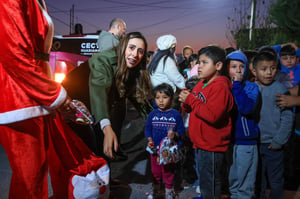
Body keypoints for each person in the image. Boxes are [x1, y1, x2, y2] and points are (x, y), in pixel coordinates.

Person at [0, 1, 109, 198]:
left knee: (37, 174)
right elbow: (14, 55)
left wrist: (54, 95)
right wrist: (55, 95)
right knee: (30, 180)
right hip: (19, 98)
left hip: (34, 95)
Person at [179, 45, 234, 199]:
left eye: (204, 63)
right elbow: (192, 107)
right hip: (201, 143)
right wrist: (185, 101)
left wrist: (191, 100)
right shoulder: (202, 83)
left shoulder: (221, 87)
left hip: (212, 146)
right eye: (198, 63)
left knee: (212, 182)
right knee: (204, 179)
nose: (199, 67)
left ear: (218, 66)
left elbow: (213, 115)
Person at [89, 32, 153, 160]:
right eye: (132, 48)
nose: (135, 55)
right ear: (123, 46)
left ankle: (108, 178)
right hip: (79, 105)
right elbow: (99, 91)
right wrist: (106, 127)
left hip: (103, 108)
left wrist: (159, 118)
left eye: (140, 51)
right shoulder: (102, 60)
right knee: (91, 153)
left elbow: (139, 100)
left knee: (103, 152)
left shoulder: (134, 69)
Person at [251, 51, 294, 199]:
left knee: (276, 181)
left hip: (274, 145)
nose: (269, 72)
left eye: (273, 68)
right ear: (254, 70)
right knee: (258, 181)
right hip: (255, 144)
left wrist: (279, 141)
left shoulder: (280, 90)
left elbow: (288, 118)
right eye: (264, 69)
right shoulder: (251, 89)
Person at [226, 50, 260, 199]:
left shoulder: (251, 87)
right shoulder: (223, 86)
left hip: (246, 142)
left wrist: (237, 85)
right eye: (233, 66)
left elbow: (246, 108)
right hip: (228, 141)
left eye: (241, 66)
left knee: (245, 186)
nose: (238, 70)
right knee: (232, 183)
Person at [145, 83, 185, 199]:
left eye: (164, 97)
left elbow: (181, 130)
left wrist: (175, 134)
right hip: (155, 150)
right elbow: (148, 128)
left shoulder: (175, 114)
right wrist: (149, 139)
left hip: (168, 151)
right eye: (157, 98)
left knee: (168, 171)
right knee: (155, 172)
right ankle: (156, 190)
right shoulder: (153, 114)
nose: (161, 101)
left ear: (171, 98)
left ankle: (168, 191)